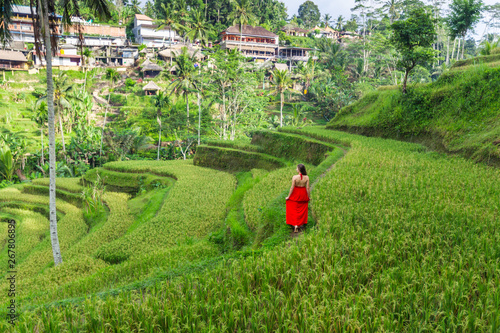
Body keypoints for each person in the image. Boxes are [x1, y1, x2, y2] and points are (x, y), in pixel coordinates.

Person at [285, 164, 310, 233]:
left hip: (296, 193)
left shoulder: (295, 177)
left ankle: (295, 225)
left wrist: (288, 196)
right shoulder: (307, 177)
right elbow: (307, 188)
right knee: (302, 208)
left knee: (293, 208)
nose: (296, 169)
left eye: (297, 168)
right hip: (303, 193)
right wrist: (309, 196)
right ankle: (300, 224)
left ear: (299, 170)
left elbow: (292, 187)